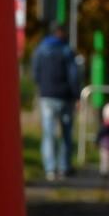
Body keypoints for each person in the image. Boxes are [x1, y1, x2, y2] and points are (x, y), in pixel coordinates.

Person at [31, 21, 80, 180]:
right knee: (66, 133)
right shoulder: (66, 51)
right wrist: (76, 95)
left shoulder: (40, 50)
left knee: (48, 133)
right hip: (64, 97)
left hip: (47, 96)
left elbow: (35, 73)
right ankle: (64, 167)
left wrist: (41, 87)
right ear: (60, 32)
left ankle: (50, 169)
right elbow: (73, 75)